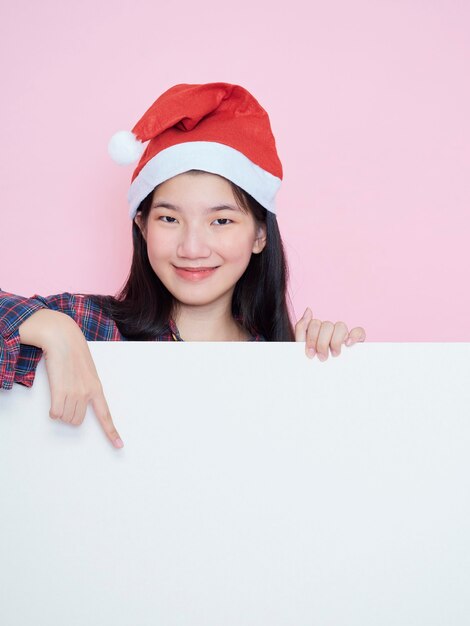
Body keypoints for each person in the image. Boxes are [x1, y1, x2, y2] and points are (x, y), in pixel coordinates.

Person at [0, 82, 366, 450]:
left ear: (259, 235)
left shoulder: (281, 357)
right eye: (169, 219)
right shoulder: (90, 327)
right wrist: (54, 329)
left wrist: (319, 375)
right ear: (142, 226)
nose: (192, 248)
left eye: (221, 221)